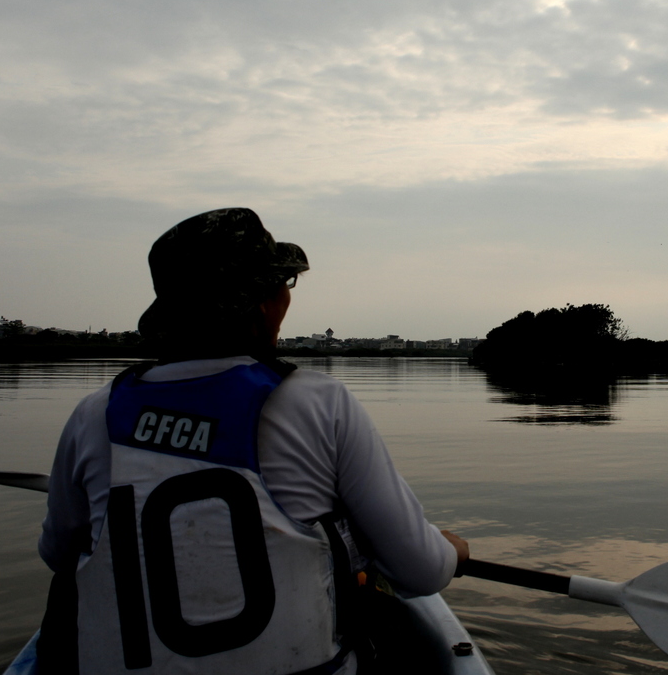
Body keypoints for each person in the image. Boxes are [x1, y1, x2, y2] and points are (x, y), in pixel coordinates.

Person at [37, 207, 468, 674]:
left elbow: (59, 554)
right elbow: (421, 572)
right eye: (282, 283)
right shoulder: (318, 402)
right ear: (262, 302)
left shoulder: (93, 415)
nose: (287, 296)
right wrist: (451, 550)